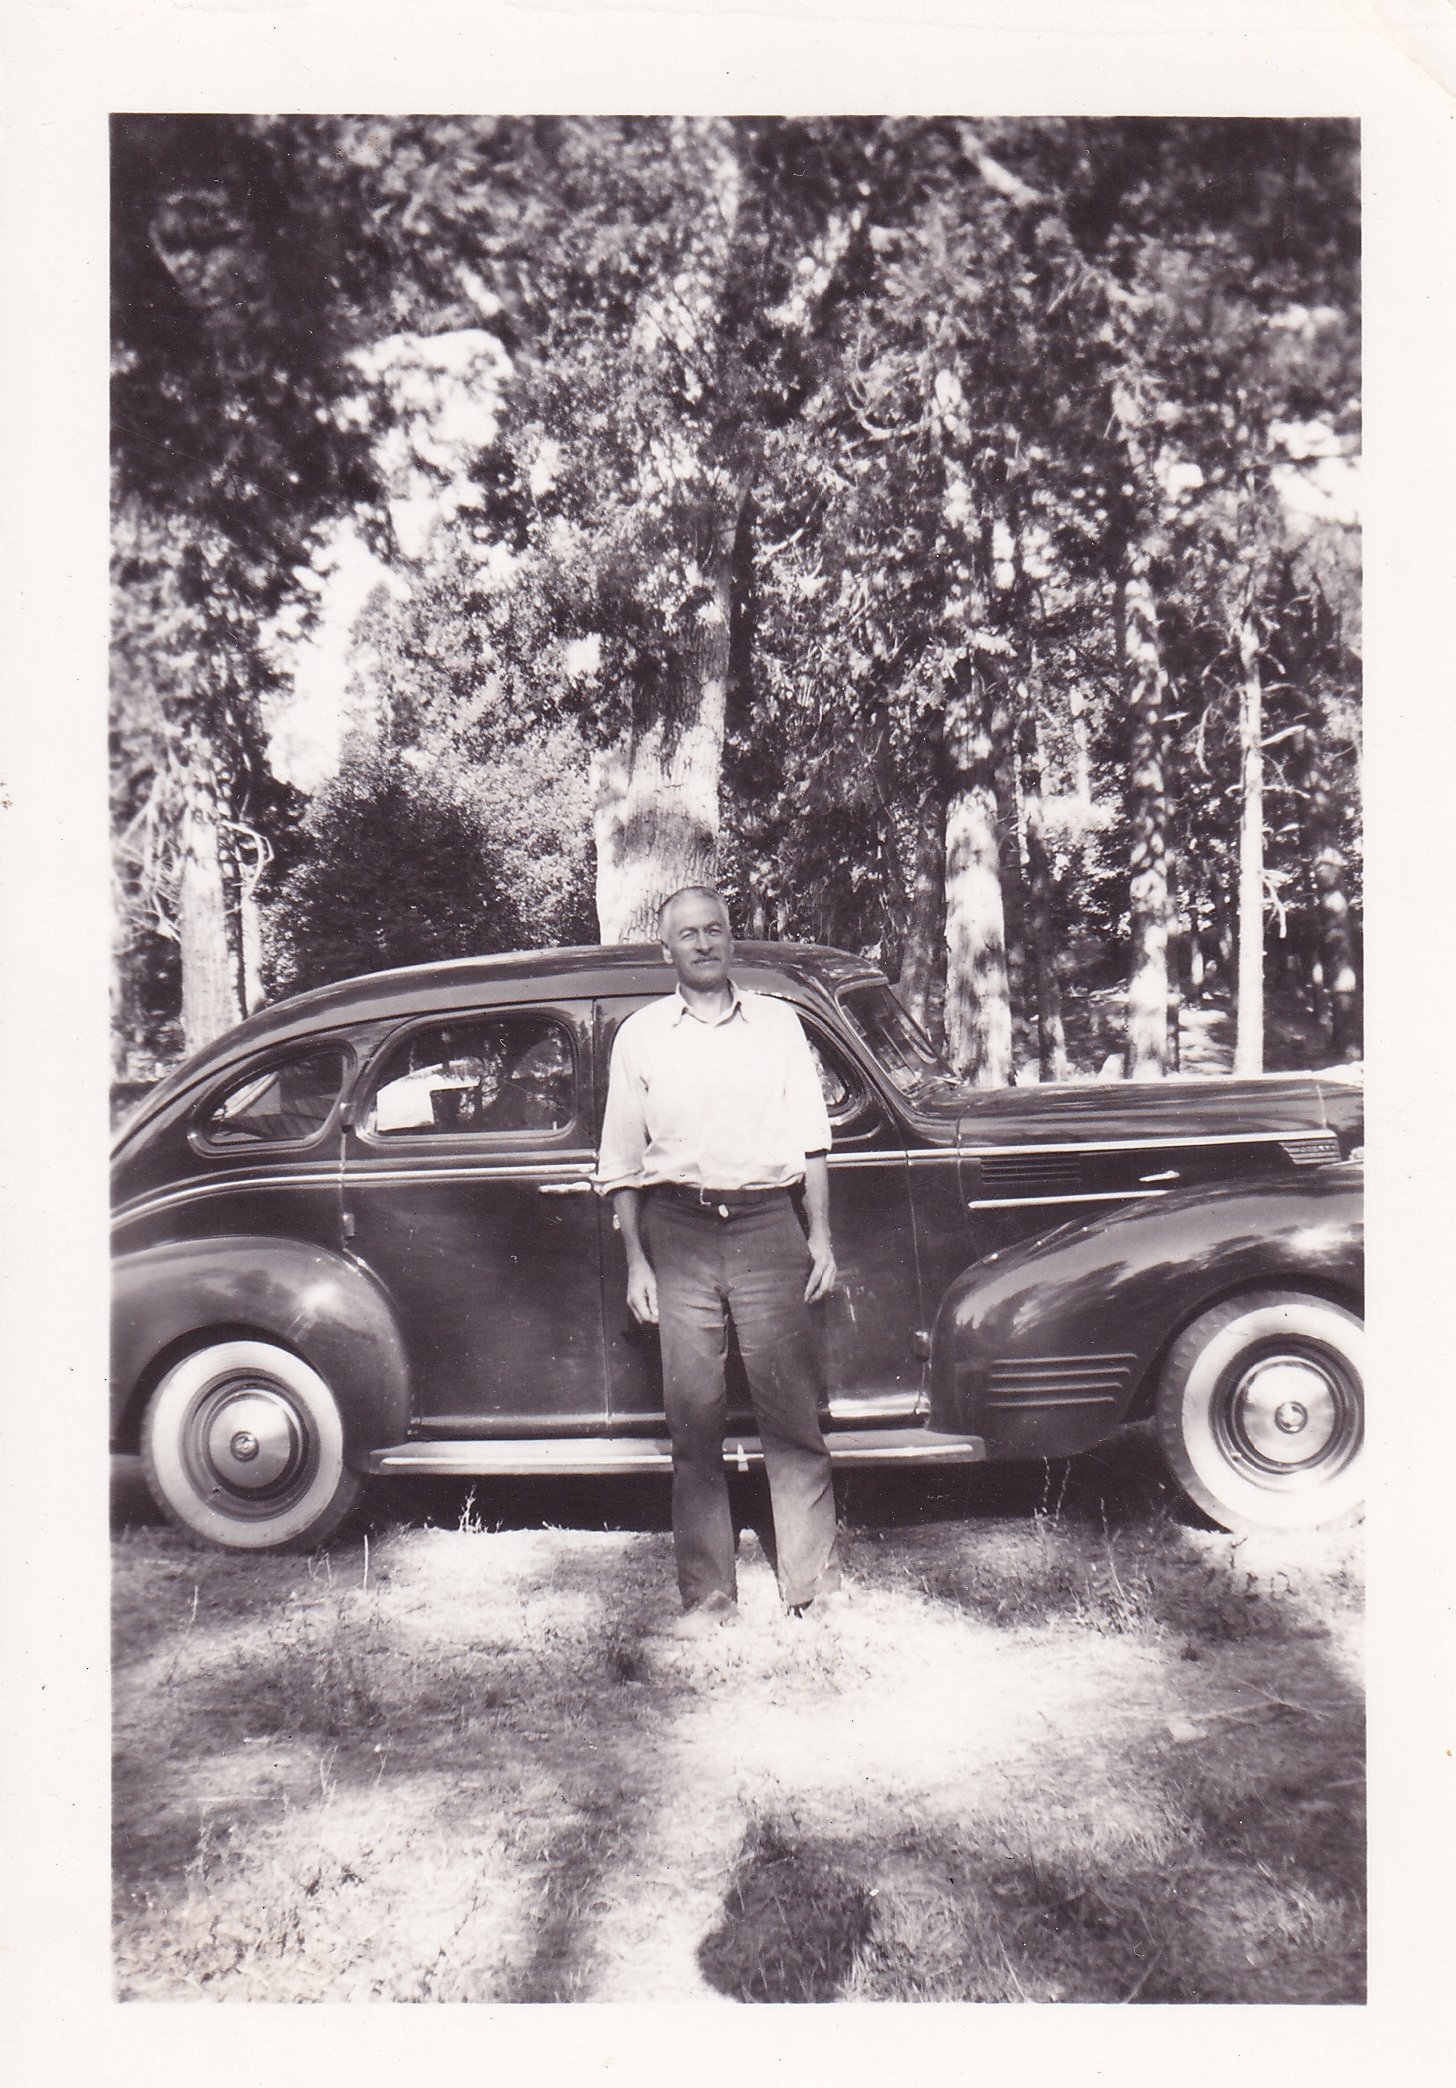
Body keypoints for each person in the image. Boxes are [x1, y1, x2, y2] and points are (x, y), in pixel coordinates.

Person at [595, 885, 844, 1636]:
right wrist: (638, 1262)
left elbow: (812, 1143)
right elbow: (622, 1163)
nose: (704, 944)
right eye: (687, 935)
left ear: (732, 939)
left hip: (771, 1223)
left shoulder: (778, 1024)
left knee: (791, 1412)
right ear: (664, 949)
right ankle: (708, 1598)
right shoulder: (640, 1036)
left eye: (715, 930)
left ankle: (815, 1587)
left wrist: (820, 1236)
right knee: (693, 1420)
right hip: (679, 1228)